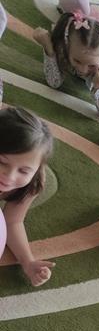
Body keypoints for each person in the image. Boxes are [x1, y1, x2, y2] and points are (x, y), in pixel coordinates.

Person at [0, 107, 55, 286]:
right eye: (2, 162)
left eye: (23, 171)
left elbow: (12, 221)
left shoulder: (32, 183)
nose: (9, 176)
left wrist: (27, 262)